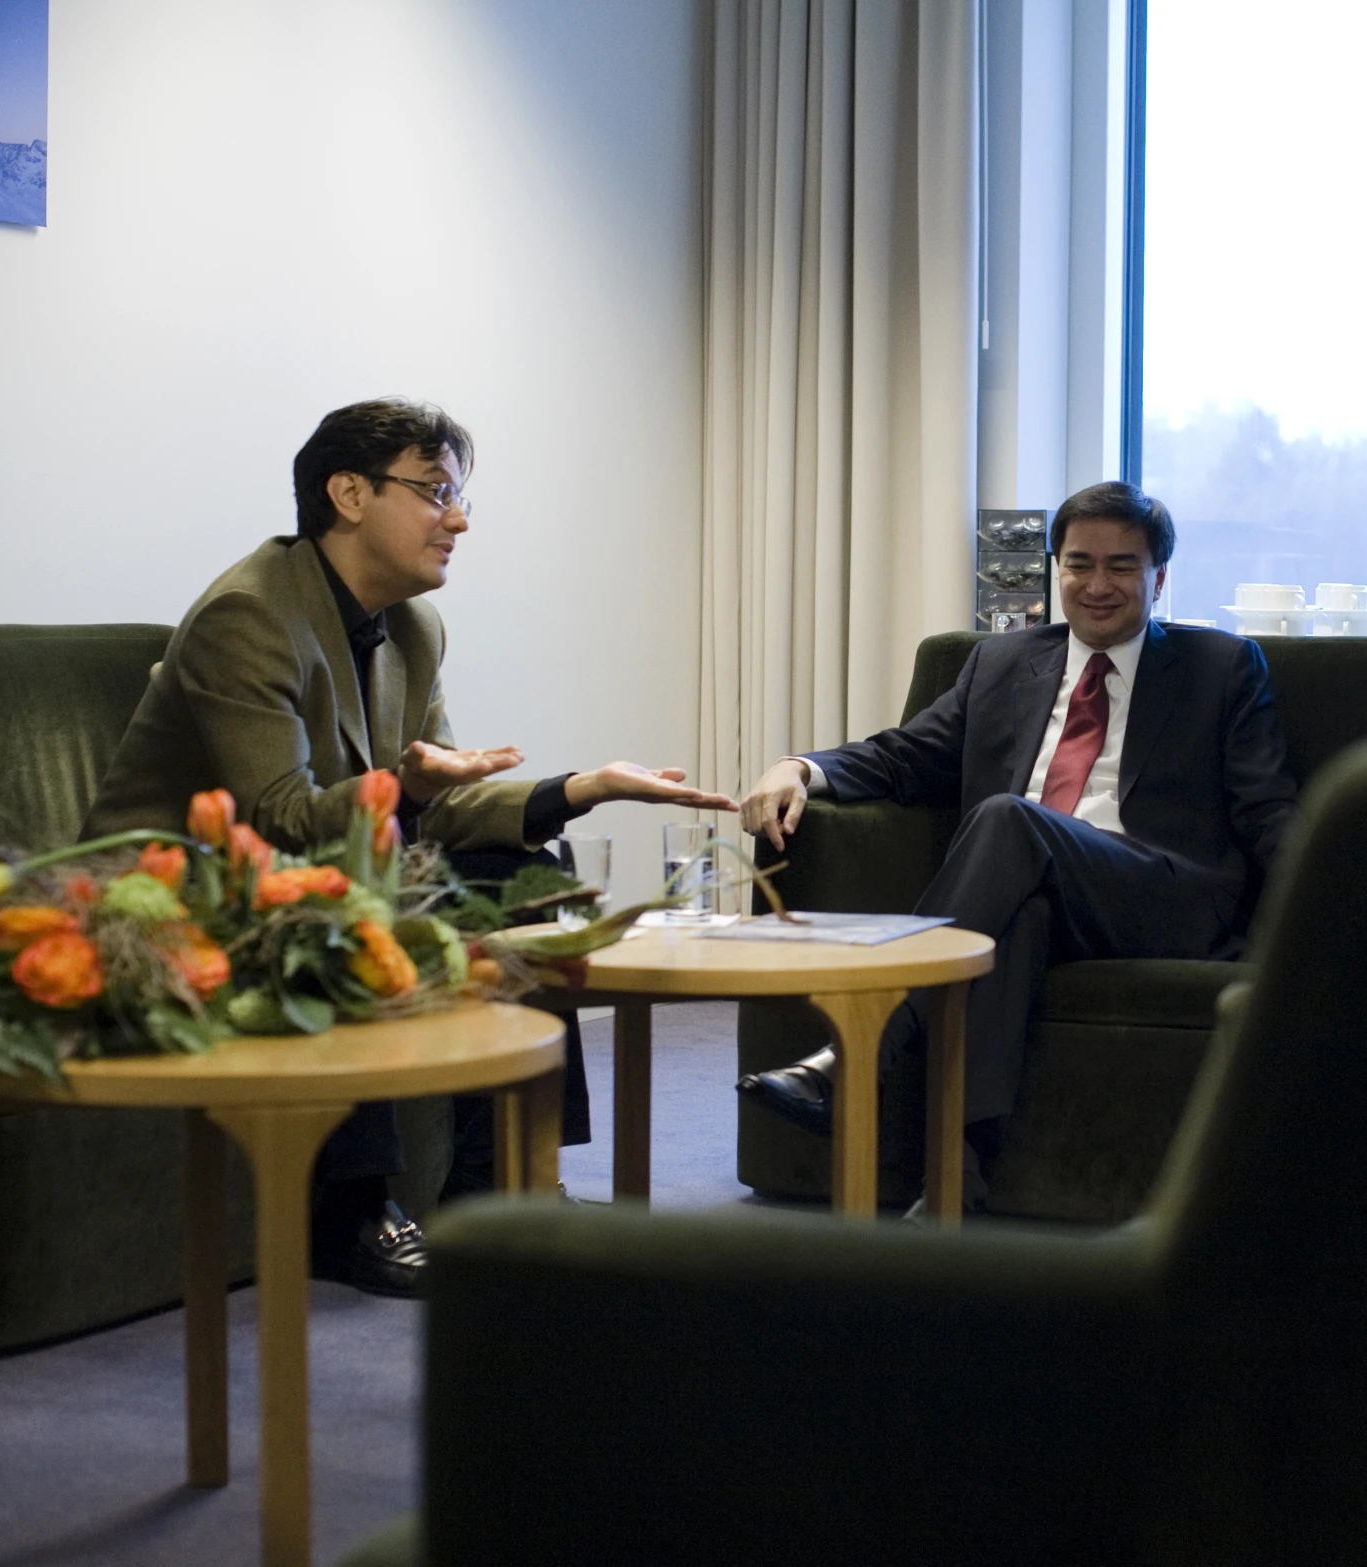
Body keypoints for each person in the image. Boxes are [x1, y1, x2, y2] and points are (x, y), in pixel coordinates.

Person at [84, 398, 732, 1294]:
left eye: (457, 496)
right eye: (434, 492)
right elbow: (278, 815)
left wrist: (581, 788)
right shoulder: (250, 616)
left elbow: (445, 801)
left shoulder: (412, 627)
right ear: (348, 493)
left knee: (525, 877)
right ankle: (354, 1210)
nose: (457, 519)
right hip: (171, 884)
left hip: (316, 857)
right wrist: (411, 789)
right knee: (347, 889)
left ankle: (502, 1182)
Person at [732, 481, 1297, 1214]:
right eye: (1078, 563)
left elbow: (1266, 805)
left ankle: (857, 1050)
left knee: (1008, 819)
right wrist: (798, 768)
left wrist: (1324, 908)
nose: (1098, 585)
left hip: (1159, 894)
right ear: (1054, 567)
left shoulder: (1220, 666)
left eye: (1122, 566)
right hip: (1033, 881)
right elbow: (905, 756)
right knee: (1017, 913)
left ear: (1159, 577)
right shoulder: (1001, 662)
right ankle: (954, 1183)